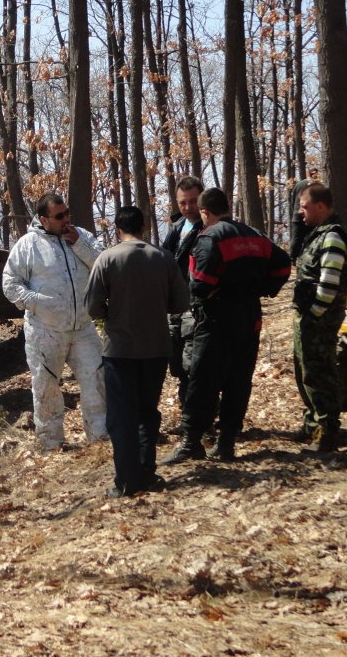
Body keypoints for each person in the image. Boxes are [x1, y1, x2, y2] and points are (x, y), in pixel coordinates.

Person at [165, 187, 291, 464]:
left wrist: (208, 293)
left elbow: (199, 283)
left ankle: (191, 442)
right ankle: (226, 442)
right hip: (249, 319)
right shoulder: (255, 235)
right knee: (238, 380)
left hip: (216, 320)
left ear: (205, 212)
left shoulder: (210, 236)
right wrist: (265, 288)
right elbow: (283, 265)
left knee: (202, 379)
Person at [84, 206, 189, 497]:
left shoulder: (108, 258)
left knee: (121, 417)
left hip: (120, 350)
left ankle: (127, 481)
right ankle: (146, 473)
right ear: (144, 227)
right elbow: (181, 303)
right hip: (156, 348)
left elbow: (92, 307)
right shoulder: (163, 258)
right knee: (146, 413)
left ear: (118, 228)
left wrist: (111, 312)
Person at [2, 193, 107, 451]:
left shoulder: (82, 237)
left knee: (97, 379)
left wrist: (79, 243)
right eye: (59, 216)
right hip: (45, 331)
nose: (66, 219)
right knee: (46, 386)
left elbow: (103, 265)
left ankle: (100, 438)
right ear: (43, 219)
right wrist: (36, 301)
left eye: (67, 213)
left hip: (83, 327)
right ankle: (51, 442)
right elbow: (9, 283)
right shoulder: (28, 245)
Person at [293, 182, 347, 454]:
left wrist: (314, 315)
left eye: (304, 207)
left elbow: (329, 284)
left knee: (320, 373)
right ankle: (313, 424)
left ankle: (327, 431)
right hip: (310, 318)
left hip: (320, 320)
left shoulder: (333, 238)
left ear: (319, 206)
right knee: (306, 373)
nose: (300, 212)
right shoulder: (316, 235)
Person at [161, 175, 204, 408]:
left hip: (198, 309)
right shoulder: (175, 228)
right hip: (174, 308)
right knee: (177, 365)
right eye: (182, 202)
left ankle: (197, 418)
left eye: (193, 201)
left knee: (194, 366)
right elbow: (164, 262)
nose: (188, 207)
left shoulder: (211, 228)